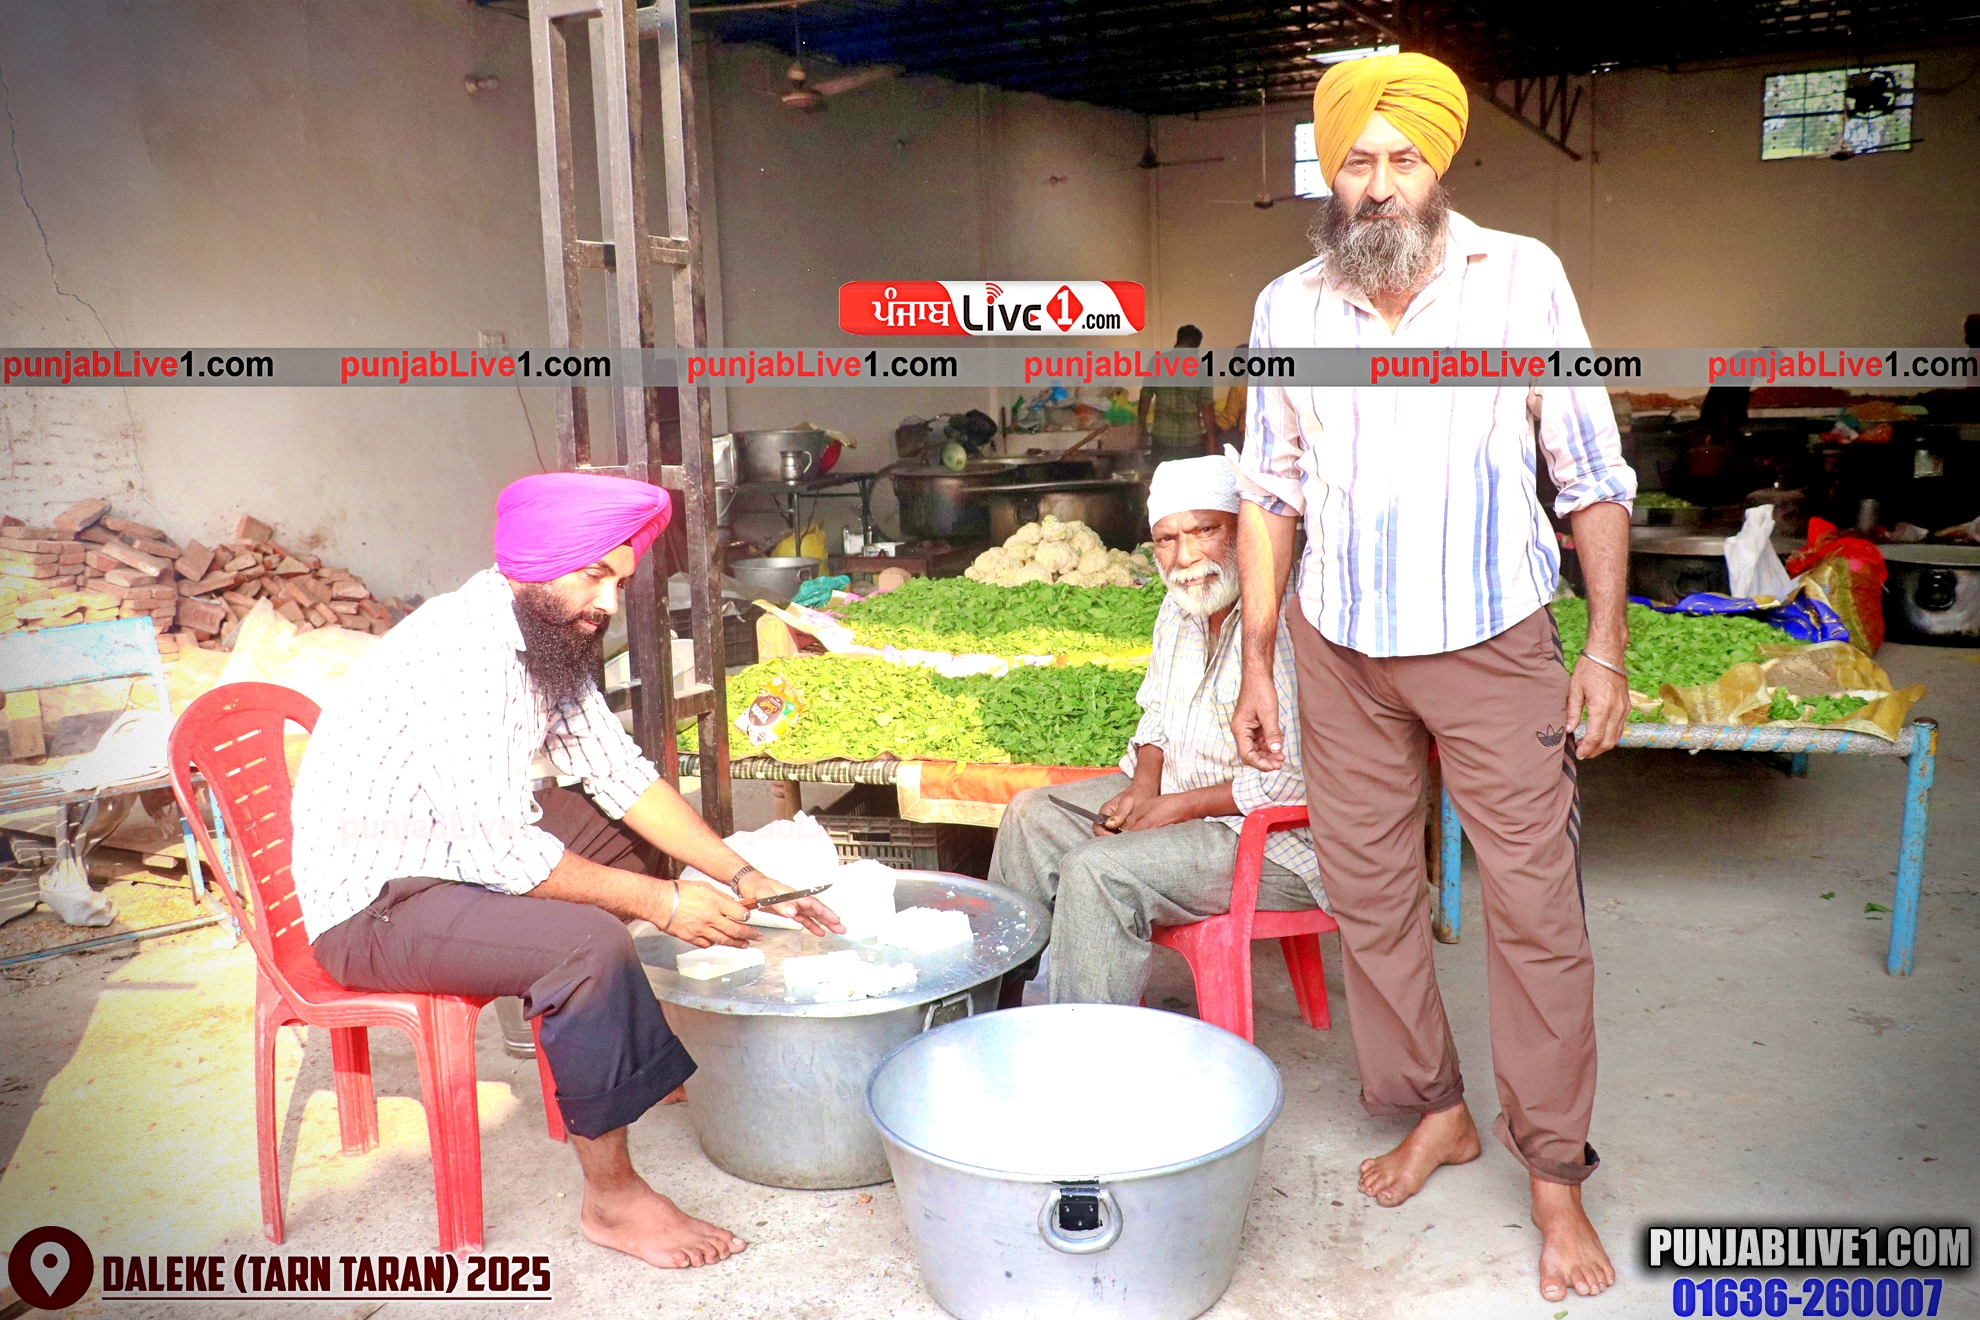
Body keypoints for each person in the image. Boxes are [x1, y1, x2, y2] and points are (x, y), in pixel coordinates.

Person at [1227, 53, 1634, 1304]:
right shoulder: (1288, 307)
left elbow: (1590, 472)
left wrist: (1605, 646)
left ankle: (1553, 1174)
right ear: (1331, 175)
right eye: (1358, 160)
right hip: (1340, 644)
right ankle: (1436, 1110)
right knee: (1370, 894)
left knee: (1535, 910)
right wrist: (1256, 658)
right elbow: (1269, 490)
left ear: (1439, 167)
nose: (1381, 183)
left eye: (1404, 159)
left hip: (1493, 637)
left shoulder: (1521, 278)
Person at [290, 472, 844, 1272]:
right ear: (538, 564)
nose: (608, 602)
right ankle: (612, 1201)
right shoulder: (466, 654)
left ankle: (624, 1052)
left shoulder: (544, 627)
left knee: (631, 836)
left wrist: (742, 874)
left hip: (442, 855)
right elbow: (499, 854)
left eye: (619, 581)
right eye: (595, 576)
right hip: (373, 906)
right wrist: (664, 902)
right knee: (586, 945)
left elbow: (618, 774)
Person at [990, 456, 1323, 1006]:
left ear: (1243, 534)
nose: (1185, 557)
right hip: (1181, 796)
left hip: (1274, 843)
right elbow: (1157, 717)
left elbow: (1293, 781)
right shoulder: (1179, 606)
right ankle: (999, 1009)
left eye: (1205, 530)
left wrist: (1180, 807)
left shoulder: (1287, 621)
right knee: (1031, 815)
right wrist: (1146, 785)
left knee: (1098, 870)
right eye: (1167, 539)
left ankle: (1080, 1040)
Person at [1137, 324, 1218, 462]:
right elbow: (1207, 407)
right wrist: (1212, 441)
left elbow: (1145, 397)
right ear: (1196, 345)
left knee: (1163, 476)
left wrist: (1142, 428)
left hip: (1162, 439)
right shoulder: (1202, 368)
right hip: (1191, 441)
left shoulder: (1157, 362)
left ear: (1178, 340)